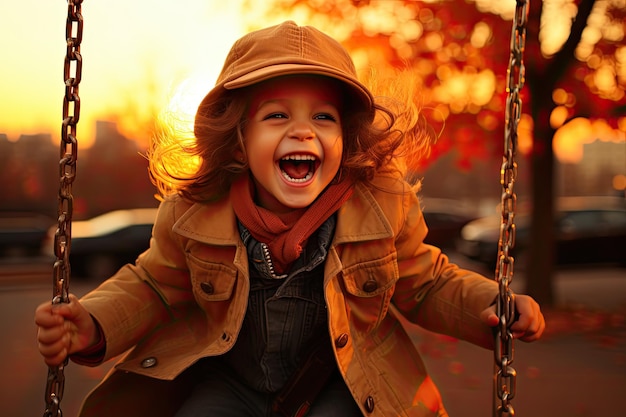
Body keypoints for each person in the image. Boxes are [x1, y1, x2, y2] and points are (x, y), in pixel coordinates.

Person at [35, 21, 544, 417]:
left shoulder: (379, 207)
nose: (303, 131)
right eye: (277, 115)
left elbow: (427, 283)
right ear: (239, 137)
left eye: (323, 117)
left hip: (340, 381)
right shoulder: (195, 212)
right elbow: (152, 286)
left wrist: (491, 306)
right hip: (229, 381)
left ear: (345, 139)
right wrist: (94, 322)